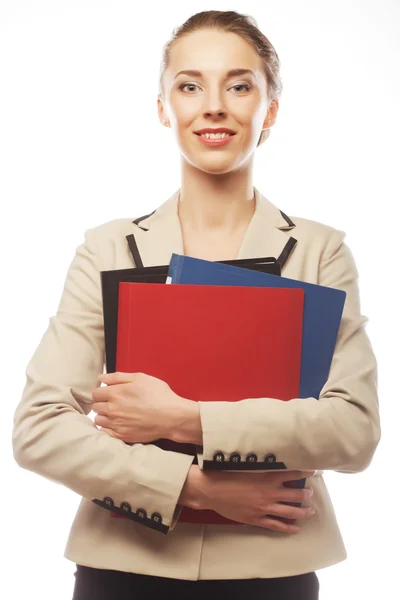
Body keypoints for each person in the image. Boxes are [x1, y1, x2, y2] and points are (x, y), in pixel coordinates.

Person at [12, 9, 380, 600]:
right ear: (164, 108)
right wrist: (193, 486)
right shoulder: (107, 248)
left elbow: (354, 432)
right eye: (189, 86)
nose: (214, 105)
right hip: (122, 568)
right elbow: (39, 429)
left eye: (239, 85)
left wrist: (185, 418)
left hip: (273, 571)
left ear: (271, 111)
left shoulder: (321, 251)